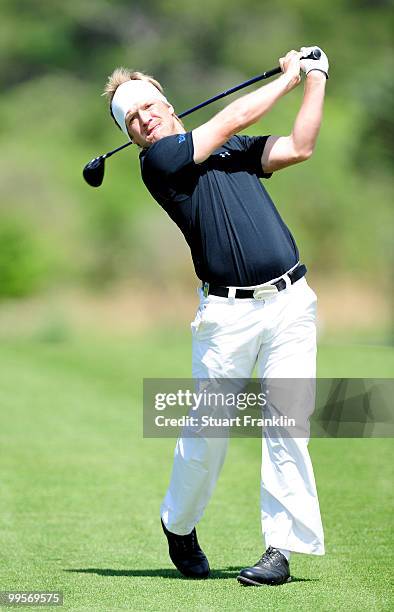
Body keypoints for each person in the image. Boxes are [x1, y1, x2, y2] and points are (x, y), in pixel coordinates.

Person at [103, 46, 328, 586]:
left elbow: (299, 146)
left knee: (287, 427)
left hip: (291, 302)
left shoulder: (230, 152)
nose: (144, 118)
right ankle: (178, 524)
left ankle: (280, 550)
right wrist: (287, 79)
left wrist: (316, 79)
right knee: (209, 432)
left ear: (168, 103)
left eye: (148, 106)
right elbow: (230, 118)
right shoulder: (160, 161)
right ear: (131, 135)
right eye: (132, 118)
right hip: (228, 317)